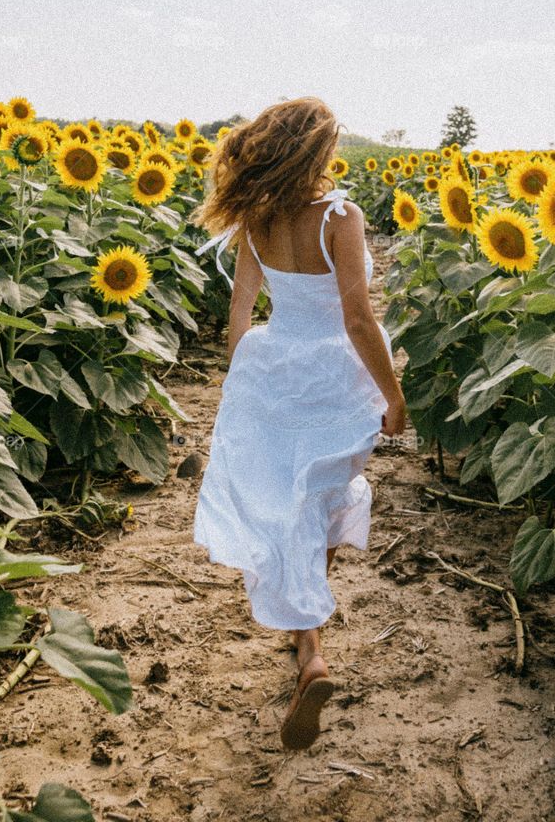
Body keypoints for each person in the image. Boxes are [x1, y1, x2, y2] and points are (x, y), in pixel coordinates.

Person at [191, 96, 407, 751]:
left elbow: (241, 308)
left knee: (288, 504)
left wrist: (245, 380)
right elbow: (358, 319)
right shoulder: (340, 216)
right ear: (317, 150)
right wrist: (393, 395)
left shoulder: (255, 218)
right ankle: (309, 645)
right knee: (324, 496)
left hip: (274, 365)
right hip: (336, 375)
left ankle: (306, 640)